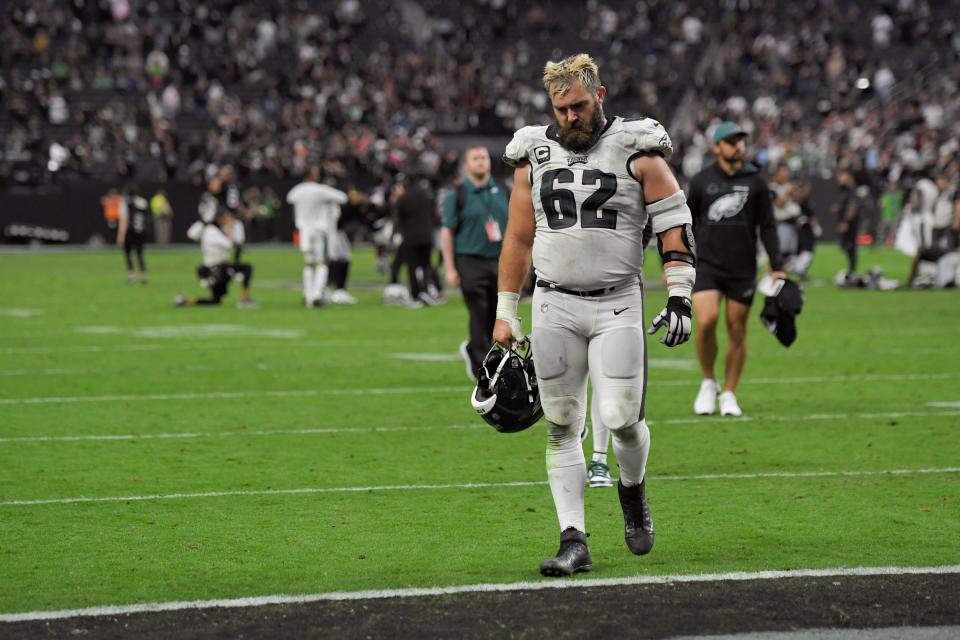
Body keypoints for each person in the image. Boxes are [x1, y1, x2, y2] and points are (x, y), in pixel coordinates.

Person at [495, 54, 697, 576]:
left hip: (617, 301)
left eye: (579, 106)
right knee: (561, 424)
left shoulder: (639, 148)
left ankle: (632, 494)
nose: (570, 117)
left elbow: (675, 223)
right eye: (561, 109)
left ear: (600, 95)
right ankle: (573, 539)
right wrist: (505, 311)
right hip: (554, 302)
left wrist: (679, 294)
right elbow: (518, 238)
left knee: (621, 419)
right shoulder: (534, 154)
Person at [687, 121, 785, 417]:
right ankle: (708, 382)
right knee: (706, 322)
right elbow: (687, 223)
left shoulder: (756, 181)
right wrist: (674, 262)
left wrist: (776, 266)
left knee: (737, 329)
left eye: (740, 140)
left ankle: (729, 392)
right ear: (717, 147)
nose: (737, 146)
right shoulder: (702, 180)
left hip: (743, 268)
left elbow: (766, 225)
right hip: (707, 265)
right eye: (730, 141)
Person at [441, 145, 509, 380]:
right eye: (475, 158)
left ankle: (479, 352)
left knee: (497, 313)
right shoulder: (457, 195)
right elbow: (447, 232)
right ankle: (482, 366)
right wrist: (449, 267)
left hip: (500, 261)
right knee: (478, 311)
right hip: (470, 260)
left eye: (484, 157)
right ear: (466, 165)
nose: (481, 161)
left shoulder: (502, 190)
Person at [286, 168, 349, 307]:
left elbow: (289, 198)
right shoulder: (320, 190)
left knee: (308, 263)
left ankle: (308, 294)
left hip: (304, 230)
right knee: (322, 262)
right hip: (319, 229)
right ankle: (317, 293)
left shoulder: (298, 190)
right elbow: (343, 197)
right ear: (313, 176)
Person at [175, 209, 256, 307]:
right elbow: (229, 244)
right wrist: (230, 228)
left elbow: (238, 242)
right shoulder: (211, 231)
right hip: (217, 268)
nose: (229, 220)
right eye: (226, 218)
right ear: (220, 219)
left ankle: (185, 302)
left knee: (215, 301)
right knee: (247, 268)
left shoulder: (215, 230)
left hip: (218, 267)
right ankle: (244, 299)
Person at [394, 175, 442, 307]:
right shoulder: (426, 196)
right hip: (427, 235)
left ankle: (416, 296)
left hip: (411, 237)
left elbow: (399, 218)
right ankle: (427, 291)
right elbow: (434, 214)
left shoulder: (403, 198)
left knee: (412, 267)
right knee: (426, 265)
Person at [117, 187, 150, 284]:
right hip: (141, 232)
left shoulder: (124, 204)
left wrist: (120, 236)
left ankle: (131, 276)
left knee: (128, 254)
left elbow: (124, 221)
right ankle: (143, 276)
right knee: (140, 255)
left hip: (130, 232)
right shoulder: (143, 202)